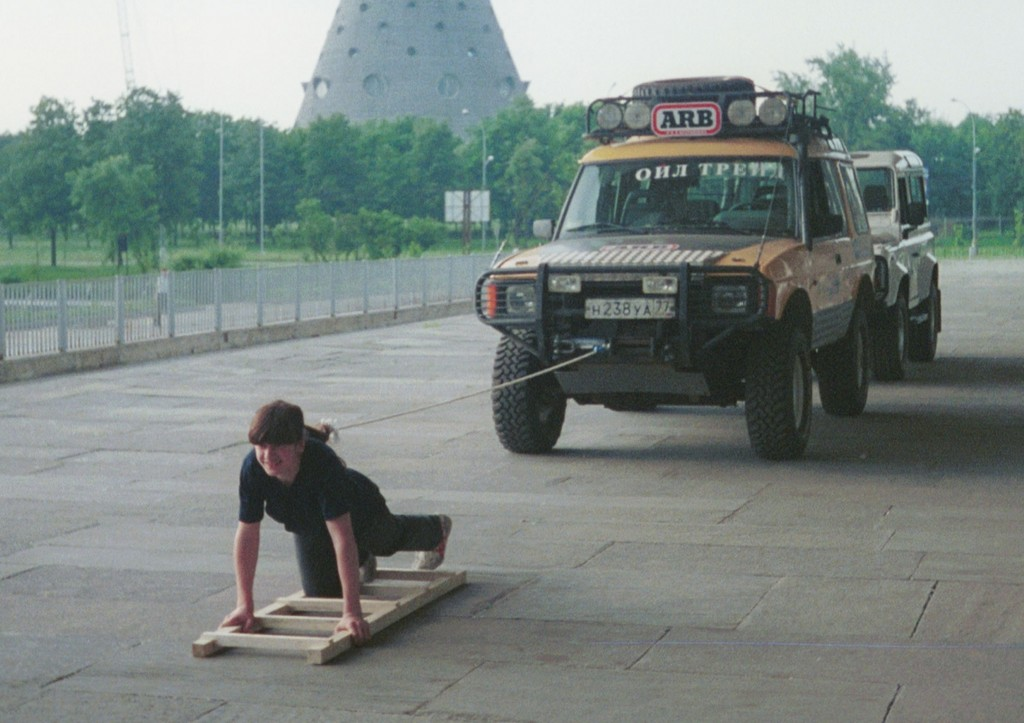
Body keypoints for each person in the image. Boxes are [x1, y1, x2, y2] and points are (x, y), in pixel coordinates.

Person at [220, 400, 452, 645]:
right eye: (262, 445)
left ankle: (435, 529)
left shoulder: (322, 463)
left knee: (385, 540)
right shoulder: (252, 468)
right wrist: (244, 605)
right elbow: (247, 533)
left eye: (278, 446)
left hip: (360, 508)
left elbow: (342, 537)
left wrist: (351, 612)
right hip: (309, 523)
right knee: (320, 592)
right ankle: (362, 558)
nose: (268, 455)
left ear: (300, 444)